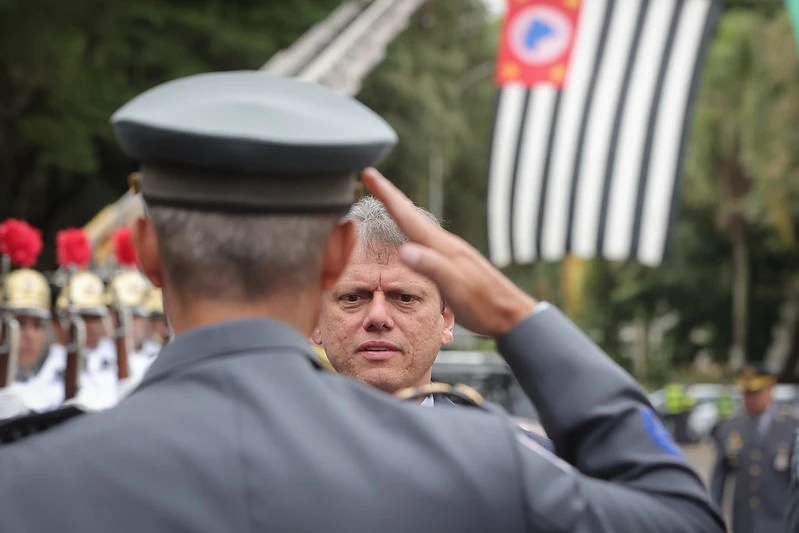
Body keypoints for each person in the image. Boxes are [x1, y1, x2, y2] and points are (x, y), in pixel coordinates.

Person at [0, 71, 723, 533]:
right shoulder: (474, 464)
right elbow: (682, 516)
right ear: (335, 258)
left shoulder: (26, 485)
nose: (378, 314)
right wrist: (515, 315)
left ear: (148, 254)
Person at [312, 196, 552, 449]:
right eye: (353, 298)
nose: (378, 317)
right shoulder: (270, 455)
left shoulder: (511, 458)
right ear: (315, 320)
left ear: (446, 320)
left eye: (405, 298)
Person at [711, 363, 799, 532]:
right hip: (744, 521)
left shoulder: (791, 426)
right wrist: (715, 511)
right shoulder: (731, 426)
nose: (750, 398)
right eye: (746, 392)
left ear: (771, 388)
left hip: (781, 522)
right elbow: (719, 475)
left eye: (756, 392)